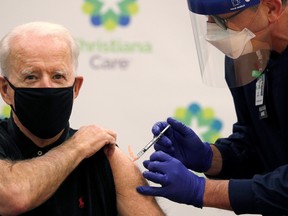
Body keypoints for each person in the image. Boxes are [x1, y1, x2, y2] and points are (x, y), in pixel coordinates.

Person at [137, 0, 288, 215]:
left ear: (271, 8)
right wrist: (211, 157)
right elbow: (257, 146)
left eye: (221, 20)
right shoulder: (246, 55)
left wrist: (202, 190)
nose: (213, 33)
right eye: (207, 21)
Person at [0, 21, 164, 216]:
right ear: (5, 90)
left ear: (75, 88)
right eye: (31, 77)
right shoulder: (84, 145)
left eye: (58, 76)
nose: (48, 87)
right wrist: (77, 147)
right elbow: (11, 196)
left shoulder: (105, 158)